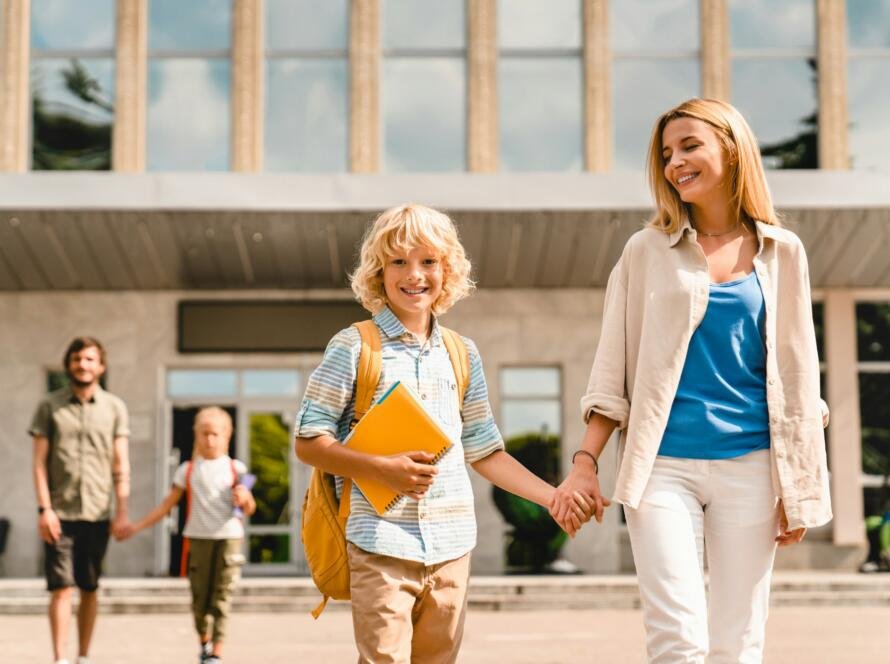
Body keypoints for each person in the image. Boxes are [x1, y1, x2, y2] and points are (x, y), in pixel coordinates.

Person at [550, 98, 832, 663]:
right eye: (666, 154)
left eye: (689, 146)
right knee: (676, 639)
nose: (675, 162)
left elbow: (799, 377)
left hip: (752, 466)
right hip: (661, 469)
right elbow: (614, 366)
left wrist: (798, 485)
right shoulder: (645, 251)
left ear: (731, 148)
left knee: (739, 640)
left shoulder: (784, 253)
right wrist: (585, 460)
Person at [295, 204, 572, 664]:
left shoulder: (462, 354)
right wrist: (382, 468)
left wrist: (552, 498)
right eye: (399, 262)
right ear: (378, 272)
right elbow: (308, 441)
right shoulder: (355, 346)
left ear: (448, 270)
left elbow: (484, 450)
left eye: (428, 261)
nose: (414, 274)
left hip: (452, 548)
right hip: (378, 543)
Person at [117, 406, 255, 664]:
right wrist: (135, 527)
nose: (209, 439)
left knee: (222, 597)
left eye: (215, 434)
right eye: (204, 434)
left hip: (229, 539)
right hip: (198, 538)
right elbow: (166, 506)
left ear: (227, 436)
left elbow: (248, 508)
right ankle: (204, 643)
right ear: (197, 435)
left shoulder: (236, 469)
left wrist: (245, 498)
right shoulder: (187, 470)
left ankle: (217, 653)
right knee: (199, 597)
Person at [30, 337, 131, 664]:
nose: (82, 365)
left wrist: (122, 512)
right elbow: (39, 463)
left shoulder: (115, 408)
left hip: (98, 512)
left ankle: (83, 656)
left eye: (89, 359)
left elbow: (121, 464)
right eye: (76, 359)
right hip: (59, 512)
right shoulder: (50, 406)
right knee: (61, 587)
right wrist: (44, 509)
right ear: (68, 364)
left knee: (89, 586)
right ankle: (60, 658)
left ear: (100, 366)